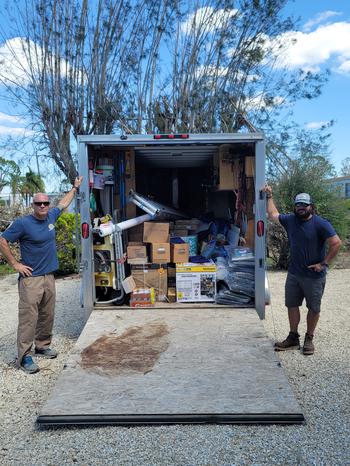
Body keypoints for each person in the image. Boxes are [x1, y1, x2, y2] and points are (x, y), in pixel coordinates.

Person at [0, 177, 83, 373]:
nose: (43, 206)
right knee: (29, 318)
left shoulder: (51, 217)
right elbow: (2, 241)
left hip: (49, 276)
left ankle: (42, 346)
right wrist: (15, 264)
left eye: (46, 203)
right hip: (31, 279)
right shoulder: (22, 223)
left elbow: (63, 204)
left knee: (47, 314)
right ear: (33, 205)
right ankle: (25, 357)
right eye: (39, 203)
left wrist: (74, 188)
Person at [263, 185, 341, 355]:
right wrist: (269, 196)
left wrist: (324, 263)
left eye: (304, 205)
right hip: (294, 273)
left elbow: (336, 243)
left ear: (311, 206)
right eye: (298, 205)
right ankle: (293, 337)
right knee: (292, 305)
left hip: (314, 276)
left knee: (314, 308)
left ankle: (309, 338)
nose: (301, 208)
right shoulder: (290, 220)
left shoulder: (320, 223)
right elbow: (272, 214)